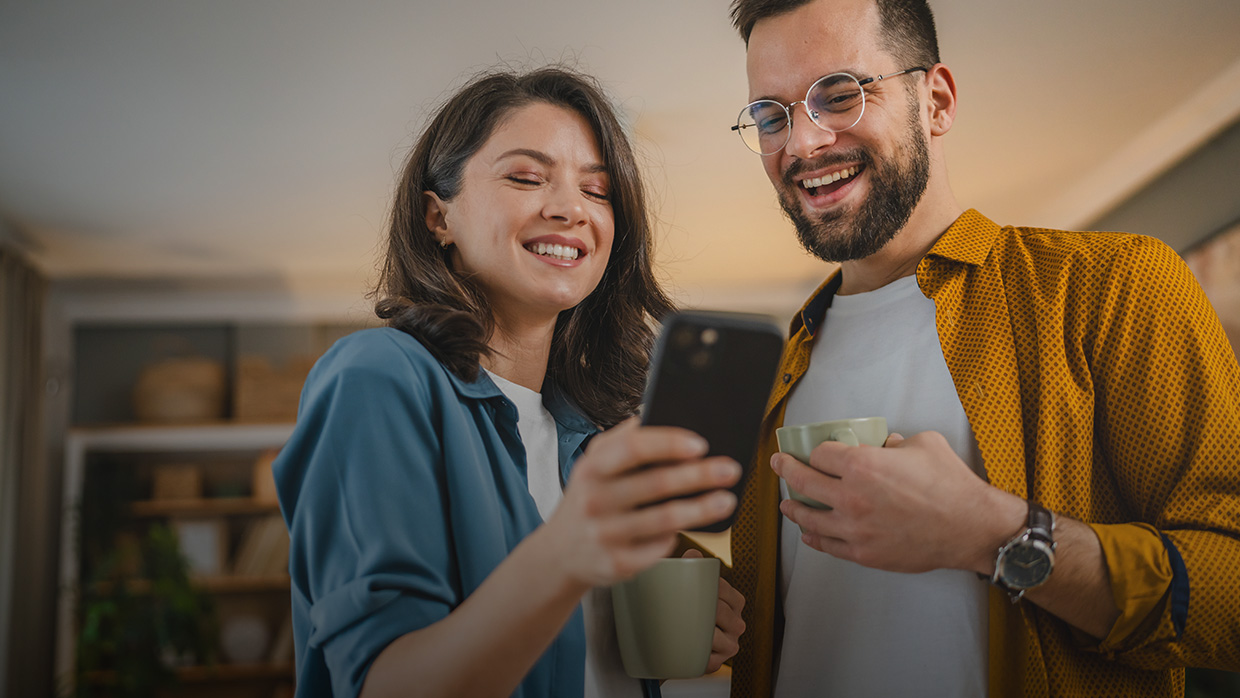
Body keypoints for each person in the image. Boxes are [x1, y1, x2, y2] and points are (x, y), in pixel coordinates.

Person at [722, 1, 1240, 696]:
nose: (802, 145)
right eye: (770, 115)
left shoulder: (1116, 286)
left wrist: (997, 534)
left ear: (934, 101)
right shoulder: (764, 374)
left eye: (839, 96)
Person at [272, 67, 746, 698]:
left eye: (598, 191)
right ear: (436, 216)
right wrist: (566, 557)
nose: (570, 209)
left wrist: (651, 632)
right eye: (526, 177)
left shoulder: (597, 435)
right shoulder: (377, 378)